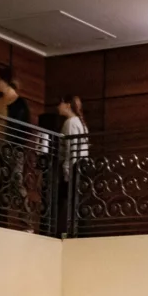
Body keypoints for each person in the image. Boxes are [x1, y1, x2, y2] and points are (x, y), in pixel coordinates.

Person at [0, 67, 32, 225]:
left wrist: (14, 146)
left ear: (5, 81)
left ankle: (26, 221)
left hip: (11, 149)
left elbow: (24, 129)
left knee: (15, 183)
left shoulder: (19, 103)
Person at [57, 95, 89, 236]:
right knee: (76, 200)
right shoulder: (80, 123)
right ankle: (77, 231)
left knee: (65, 199)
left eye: (60, 103)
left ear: (67, 105)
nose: (58, 107)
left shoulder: (70, 123)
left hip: (74, 165)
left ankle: (64, 231)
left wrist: (66, 172)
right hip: (82, 165)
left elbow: (71, 149)